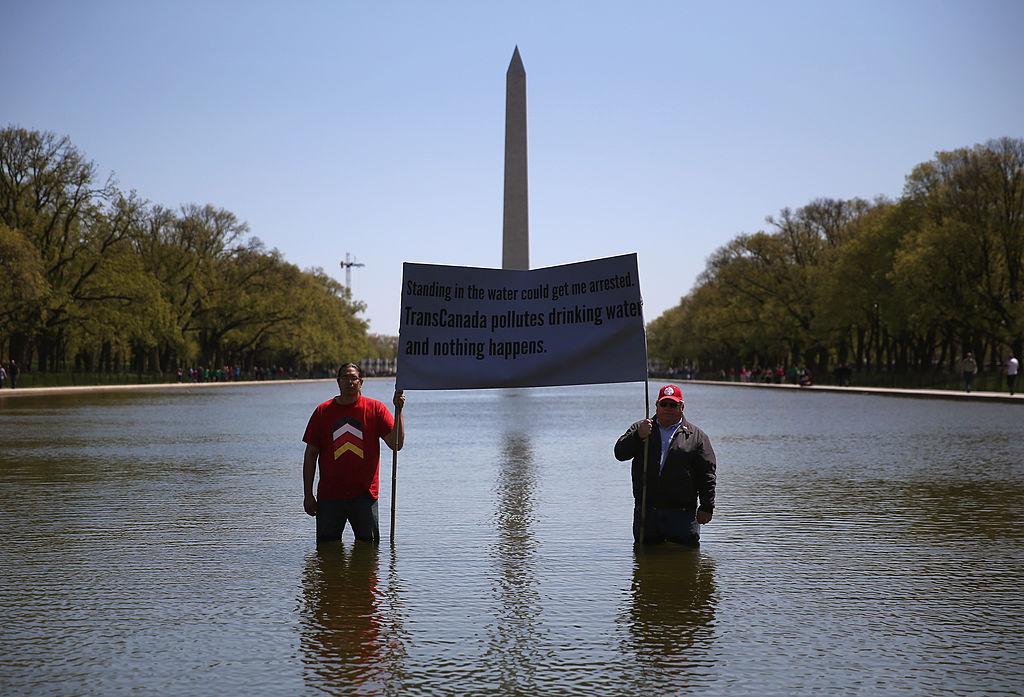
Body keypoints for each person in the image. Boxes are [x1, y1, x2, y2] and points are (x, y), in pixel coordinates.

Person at [302, 363, 405, 543]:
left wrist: (399, 410)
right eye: (345, 378)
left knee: (368, 552)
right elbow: (310, 454)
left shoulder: (376, 409)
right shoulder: (322, 412)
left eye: (354, 378)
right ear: (338, 382)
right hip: (330, 497)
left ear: (361, 382)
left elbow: (396, 444)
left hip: (365, 496)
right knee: (327, 551)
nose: (350, 381)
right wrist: (308, 494)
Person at [614, 384, 716, 546]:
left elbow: (707, 474)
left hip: (683, 515)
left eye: (673, 404)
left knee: (686, 565)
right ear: (656, 405)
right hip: (647, 514)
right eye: (664, 404)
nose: (668, 408)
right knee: (645, 564)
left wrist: (706, 506)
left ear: (681, 407)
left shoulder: (696, 436)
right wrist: (638, 436)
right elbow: (620, 453)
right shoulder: (641, 428)